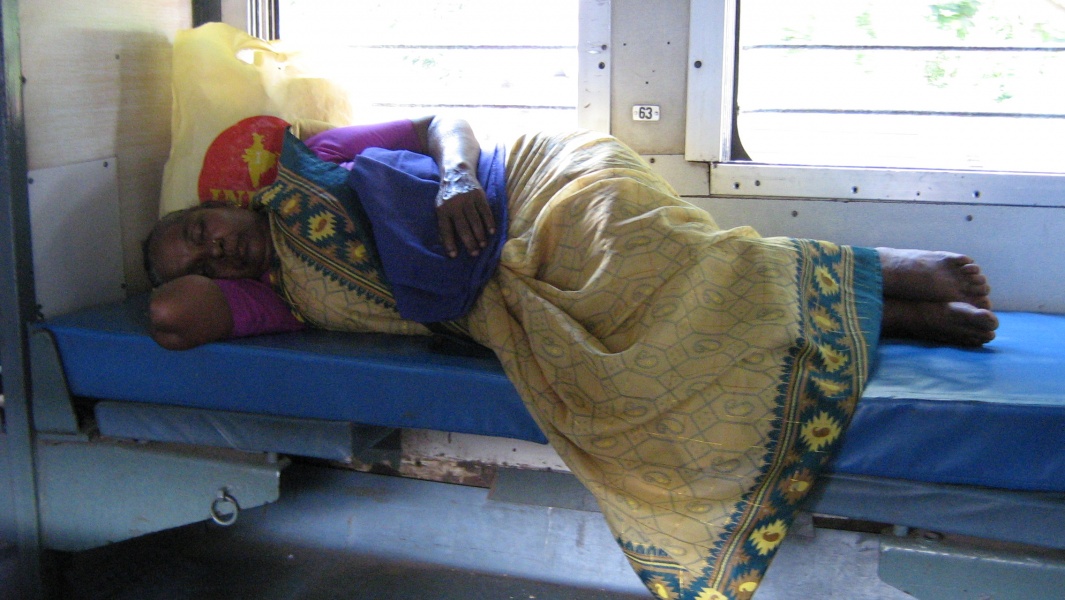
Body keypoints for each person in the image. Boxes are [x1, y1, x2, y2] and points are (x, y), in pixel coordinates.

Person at [143, 116, 997, 600]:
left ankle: (882, 278)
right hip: (505, 286)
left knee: (632, 244)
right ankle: (881, 303)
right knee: (636, 322)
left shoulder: (310, 161)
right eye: (201, 262)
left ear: (215, 201)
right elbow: (171, 317)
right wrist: (179, 271)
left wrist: (454, 178)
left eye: (198, 228)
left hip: (526, 183)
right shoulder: (277, 298)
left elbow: (444, 124)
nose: (214, 250)